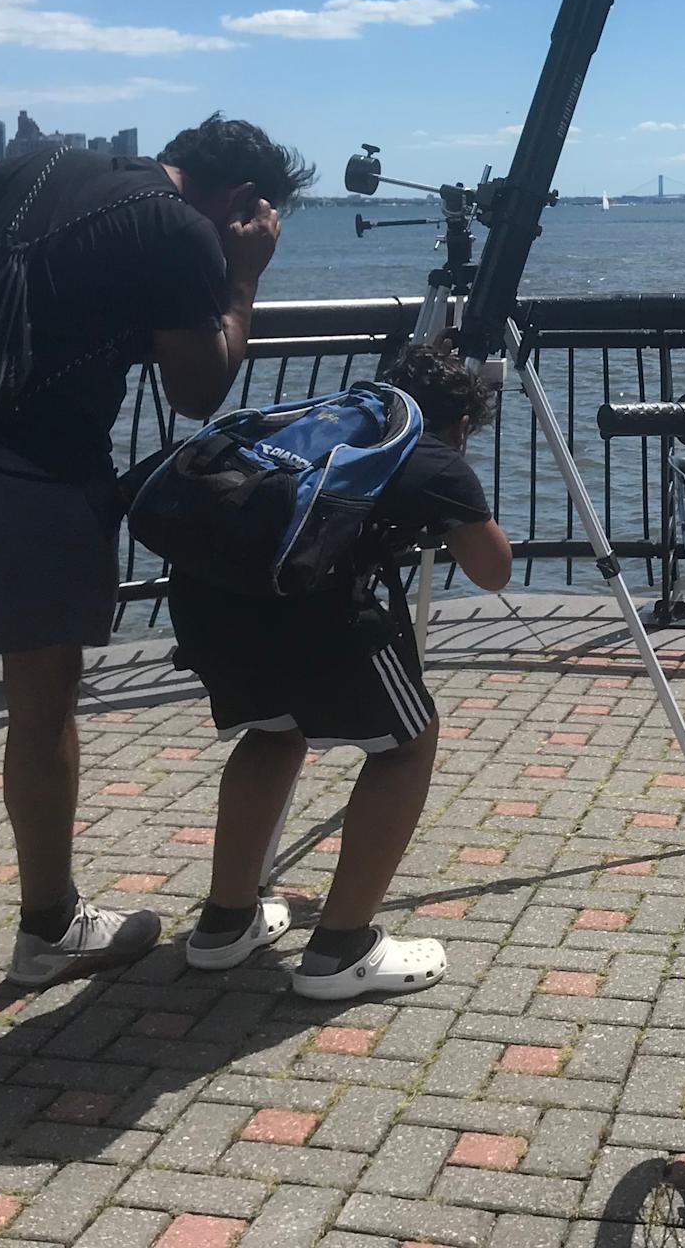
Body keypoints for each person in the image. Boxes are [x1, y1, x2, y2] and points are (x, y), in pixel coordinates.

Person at [0, 116, 312, 989]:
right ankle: (49, 926)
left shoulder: (37, 159)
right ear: (243, 199)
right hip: (37, 469)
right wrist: (244, 279)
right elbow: (197, 389)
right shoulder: (178, 232)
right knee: (41, 698)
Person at [167, 336, 511, 999]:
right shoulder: (433, 453)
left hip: (210, 599)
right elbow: (492, 570)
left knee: (273, 729)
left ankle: (224, 924)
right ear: (462, 421)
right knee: (409, 745)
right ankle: (340, 950)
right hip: (306, 613)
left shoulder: (326, 419)